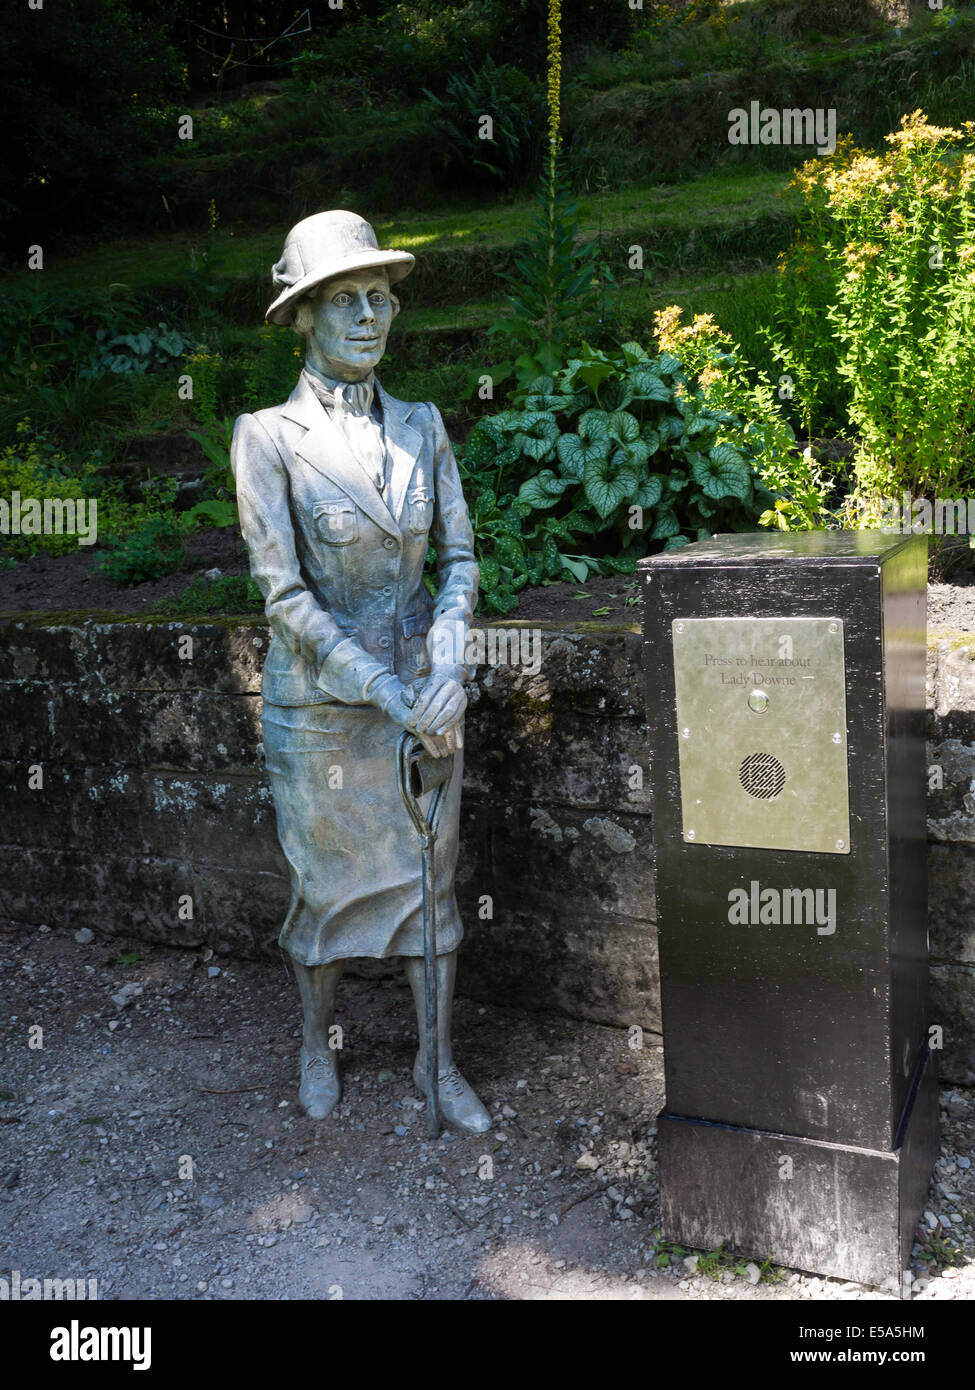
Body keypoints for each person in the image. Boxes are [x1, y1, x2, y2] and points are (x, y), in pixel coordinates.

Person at [231, 210, 490, 1134]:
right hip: (324, 710)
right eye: (344, 301)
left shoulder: (422, 427)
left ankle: (437, 1064)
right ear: (303, 316)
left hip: (428, 700)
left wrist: (449, 665)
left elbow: (459, 560)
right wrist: (382, 688)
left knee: (432, 889)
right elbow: (284, 597)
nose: (369, 316)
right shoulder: (266, 438)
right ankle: (314, 1046)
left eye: (379, 298)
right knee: (327, 891)